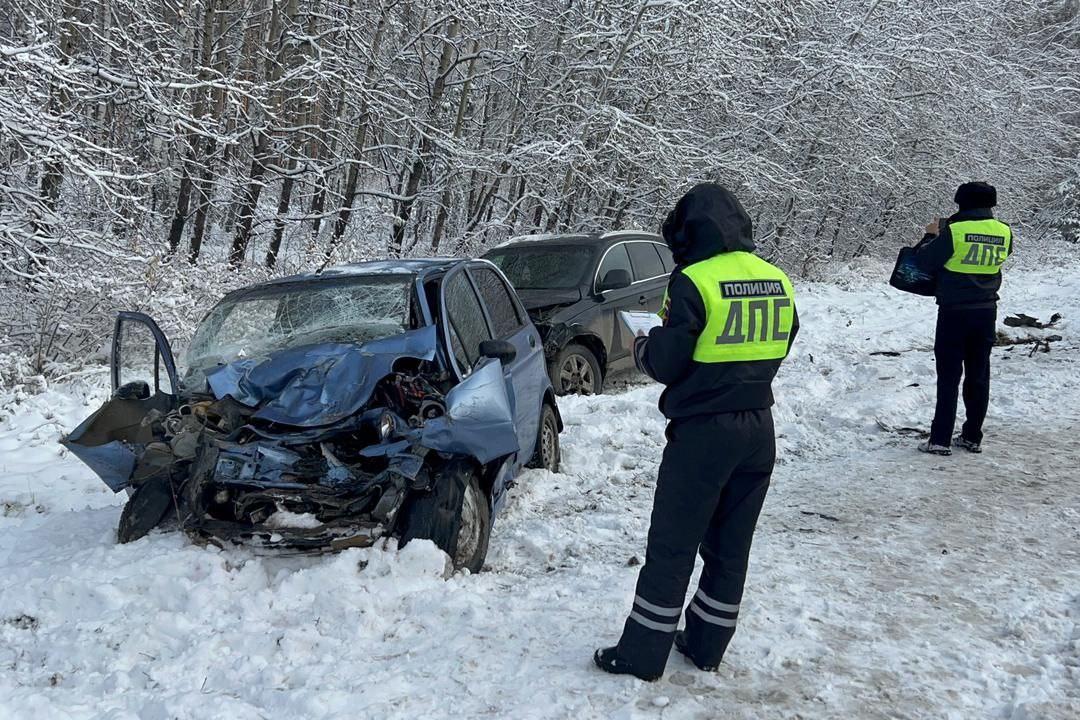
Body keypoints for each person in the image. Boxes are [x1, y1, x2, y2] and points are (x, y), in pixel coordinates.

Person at [593, 183, 799, 681]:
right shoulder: (776, 277)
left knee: (673, 544)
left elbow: (668, 361)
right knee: (731, 548)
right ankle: (706, 645)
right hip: (758, 428)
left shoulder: (692, 281)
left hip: (704, 432)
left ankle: (641, 656)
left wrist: (644, 345)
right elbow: (786, 336)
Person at [914, 182, 1012, 456]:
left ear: (961, 203)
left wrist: (930, 236)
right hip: (986, 311)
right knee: (978, 376)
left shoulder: (954, 231)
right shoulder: (1004, 231)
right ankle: (972, 436)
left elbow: (923, 262)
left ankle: (940, 439)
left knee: (949, 376)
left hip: (954, 312)